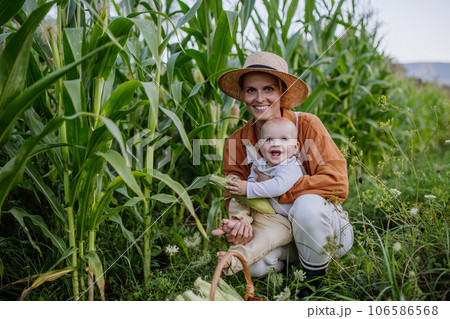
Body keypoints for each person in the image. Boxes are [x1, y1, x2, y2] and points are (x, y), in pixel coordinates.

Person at [212, 51, 354, 294]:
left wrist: (278, 190)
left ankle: (313, 285)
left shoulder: (306, 125)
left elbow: (337, 183)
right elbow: (235, 193)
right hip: (277, 230)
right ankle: (301, 263)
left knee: (306, 205)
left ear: (282, 92)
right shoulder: (236, 142)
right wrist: (240, 223)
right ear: (243, 95)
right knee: (253, 267)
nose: (259, 98)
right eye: (251, 90)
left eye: (268, 89)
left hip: (325, 230)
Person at [213, 117, 304, 276]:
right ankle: (239, 221)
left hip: (281, 221)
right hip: (260, 213)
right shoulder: (259, 164)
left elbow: (278, 186)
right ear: (260, 146)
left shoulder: (291, 166)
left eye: (284, 139)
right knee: (238, 196)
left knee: (263, 238)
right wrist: (244, 191)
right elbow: (250, 193)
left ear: (295, 147)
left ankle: (234, 258)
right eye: (269, 139)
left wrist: (248, 187)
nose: (276, 143)